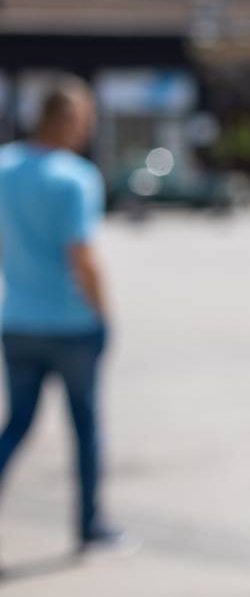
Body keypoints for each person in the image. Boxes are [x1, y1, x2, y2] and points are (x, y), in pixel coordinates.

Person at [0, 76, 133, 557]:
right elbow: (83, 258)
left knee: (16, 426)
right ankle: (89, 525)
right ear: (69, 119)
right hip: (71, 325)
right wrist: (103, 313)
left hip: (17, 320)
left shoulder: (4, 167)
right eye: (87, 117)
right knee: (85, 427)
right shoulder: (74, 176)